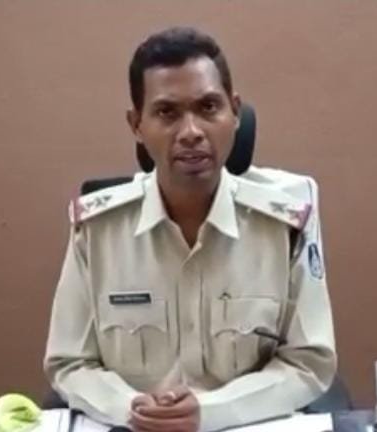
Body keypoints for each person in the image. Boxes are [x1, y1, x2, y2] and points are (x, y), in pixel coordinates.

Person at [44, 27, 336, 432]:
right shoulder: (98, 229)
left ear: (235, 112)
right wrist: (131, 408)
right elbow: (70, 362)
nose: (192, 132)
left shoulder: (286, 221)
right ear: (136, 124)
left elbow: (309, 362)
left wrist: (209, 411)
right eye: (167, 113)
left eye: (208, 107)